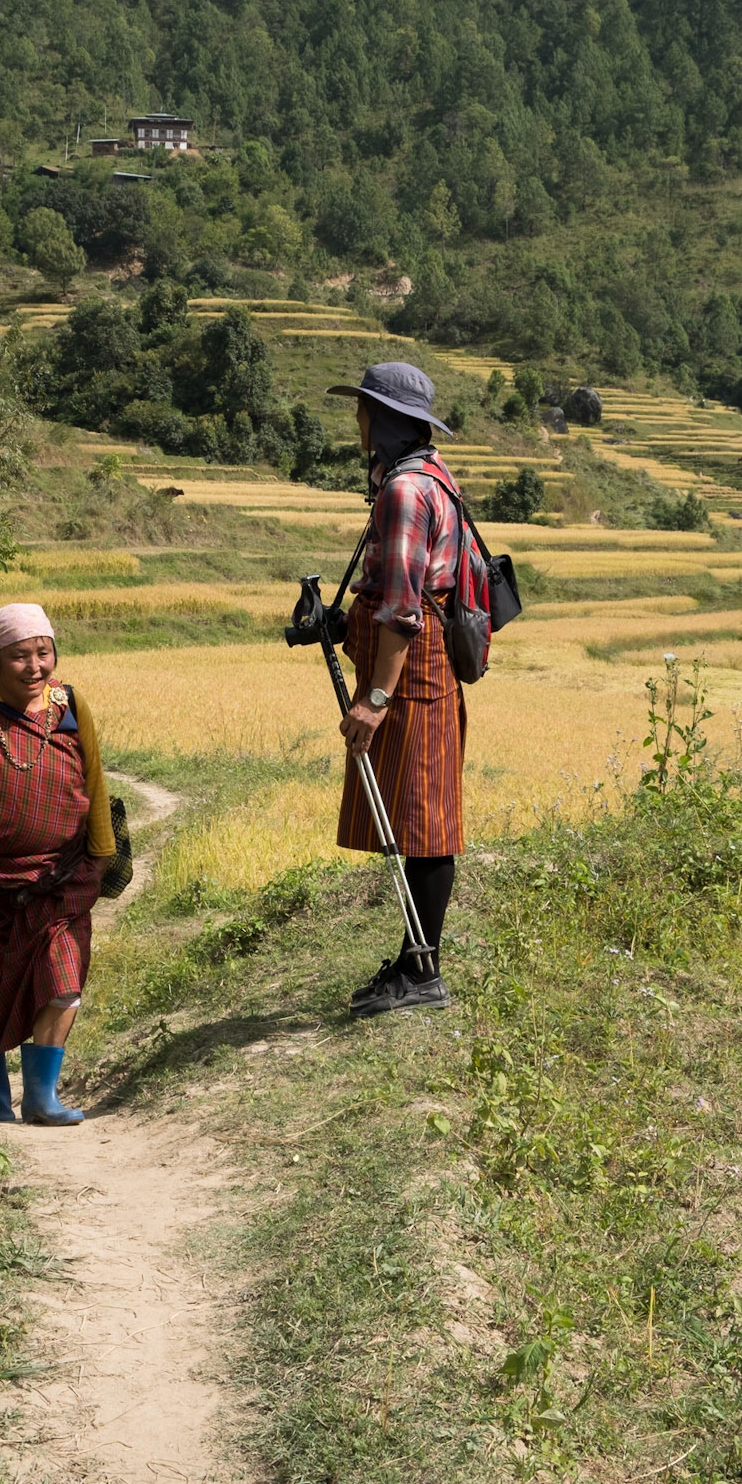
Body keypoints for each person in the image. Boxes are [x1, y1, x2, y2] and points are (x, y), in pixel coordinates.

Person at [0, 603, 115, 1125]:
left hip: (63, 879)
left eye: (43, 653)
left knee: (64, 983)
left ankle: (41, 1097)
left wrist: (101, 854)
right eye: (19, 657)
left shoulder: (70, 704)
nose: (35, 667)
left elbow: (95, 779)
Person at [325, 362, 467, 1017]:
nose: (356, 420)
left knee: (424, 821)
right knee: (420, 815)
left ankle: (424, 971)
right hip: (415, 663)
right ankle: (416, 961)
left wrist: (374, 699)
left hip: (409, 670)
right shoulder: (430, 479)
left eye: (362, 409)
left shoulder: (405, 493)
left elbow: (404, 607)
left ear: (383, 420)